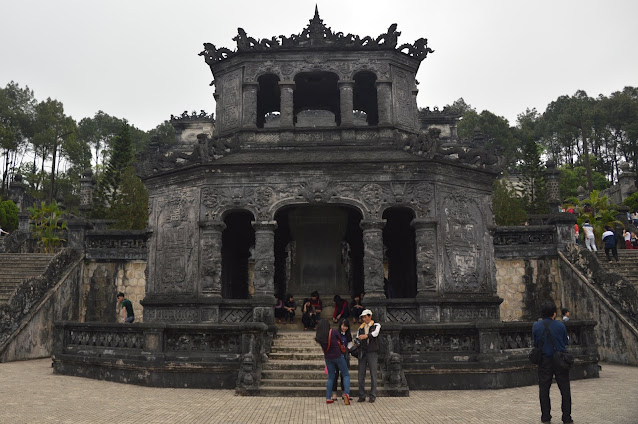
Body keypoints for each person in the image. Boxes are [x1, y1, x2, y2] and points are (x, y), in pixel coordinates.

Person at [532, 301, 572, 424]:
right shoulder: (560, 325)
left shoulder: (536, 326)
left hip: (544, 360)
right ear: (554, 314)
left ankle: (545, 417)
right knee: (565, 390)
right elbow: (565, 341)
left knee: (544, 389)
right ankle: (566, 417)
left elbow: (535, 342)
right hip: (559, 359)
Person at [315, 319, 351, 405]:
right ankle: (346, 394)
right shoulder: (333, 332)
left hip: (328, 358)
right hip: (338, 356)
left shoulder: (319, 336)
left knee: (331, 377)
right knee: (345, 374)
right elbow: (341, 341)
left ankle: (328, 397)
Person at [356, 309, 380, 403]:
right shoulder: (361, 328)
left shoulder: (375, 325)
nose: (364, 319)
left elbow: (375, 333)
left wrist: (366, 336)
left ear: (370, 316)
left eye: (366, 317)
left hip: (372, 351)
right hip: (363, 351)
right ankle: (361, 395)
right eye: (363, 317)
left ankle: (372, 395)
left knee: (373, 374)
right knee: (361, 374)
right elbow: (358, 337)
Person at [331, 319, 353, 400]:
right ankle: (334, 394)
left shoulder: (348, 335)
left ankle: (344, 393)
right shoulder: (335, 334)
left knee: (344, 375)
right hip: (336, 356)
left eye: (346, 326)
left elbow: (350, 345)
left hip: (344, 356)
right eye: (343, 326)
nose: (344, 328)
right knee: (335, 375)